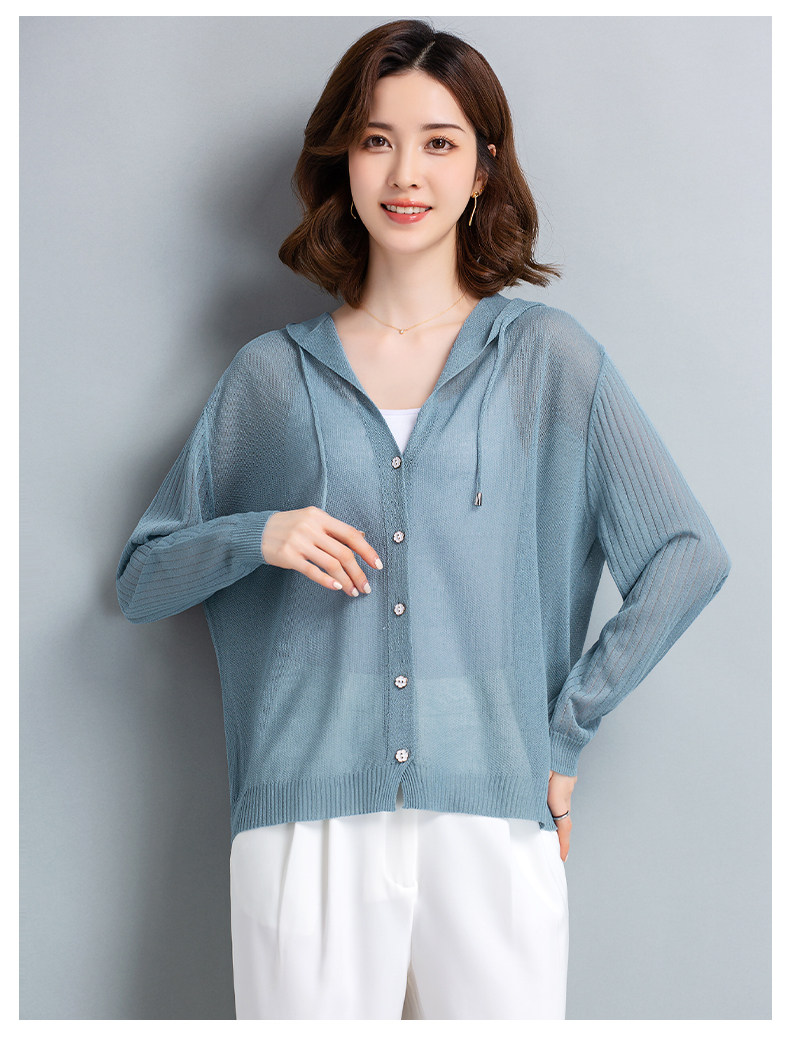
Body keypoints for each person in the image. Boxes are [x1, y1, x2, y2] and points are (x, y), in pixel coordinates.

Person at [116, 18, 731, 1021]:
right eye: (377, 139)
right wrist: (259, 535)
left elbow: (686, 554)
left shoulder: (545, 360)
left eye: (439, 142)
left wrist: (563, 736)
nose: (406, 172)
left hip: (492, 815)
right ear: (344, 162)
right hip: (304, 821)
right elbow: (144, 578)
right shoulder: (272, 376)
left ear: (482, 168)